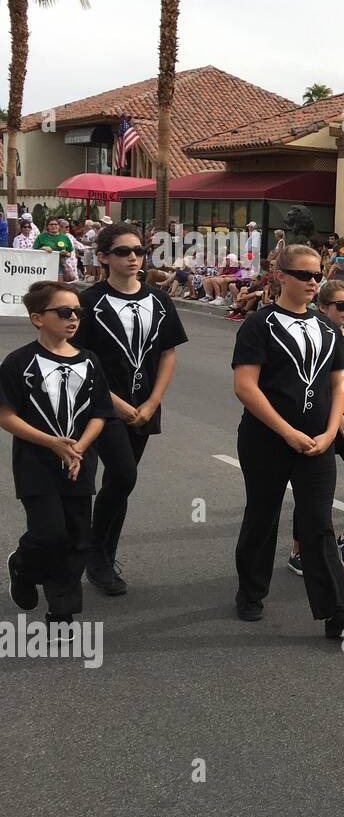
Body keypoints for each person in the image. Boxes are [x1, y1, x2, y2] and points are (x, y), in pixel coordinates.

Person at [230, 245, 344, 637]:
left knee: (318, 522)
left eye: (316, 276)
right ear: (280, 276)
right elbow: (245, 386)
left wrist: (329, 431)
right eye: (304, 275)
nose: (312, 282)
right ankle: (251, 590)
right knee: (263, 513)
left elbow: (338, 382)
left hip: (317, 441)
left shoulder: (326, 327)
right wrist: (287, 432)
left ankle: (337, 611)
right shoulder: (260, 323)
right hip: (266, 439)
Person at [74, 223, 188, 595]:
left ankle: (104, 555)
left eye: (139, 250)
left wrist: (153, 401)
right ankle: (94, 554)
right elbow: (80, 360)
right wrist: (118, 405)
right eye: (124, 251)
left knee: (120, 483)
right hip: (101, 407)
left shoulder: (158, 300)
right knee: (123, 475)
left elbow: (168, 352)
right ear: (104, 257)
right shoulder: (89, 302)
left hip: (145, 405)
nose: (134, 257)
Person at [0, 281, 112, 626]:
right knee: (49, 533)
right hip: (37, 464)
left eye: (78, 312)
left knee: (78, 536)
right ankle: (23, 564)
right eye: (64, 312)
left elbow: (100, 413)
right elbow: (6, 415)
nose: (73, 318)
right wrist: (51, 443)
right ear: (37, 318)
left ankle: (61, 611)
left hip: (79, 462)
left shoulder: (90, 361)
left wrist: (78, 447)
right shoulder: (20, 362)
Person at [285, 280, 344, 573]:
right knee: (312, 493)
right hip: (321, 422)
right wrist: (340, 420)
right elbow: (319, 386)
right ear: (322, 307)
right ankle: (298, 550)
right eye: (341, 306)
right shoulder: (318, 340)